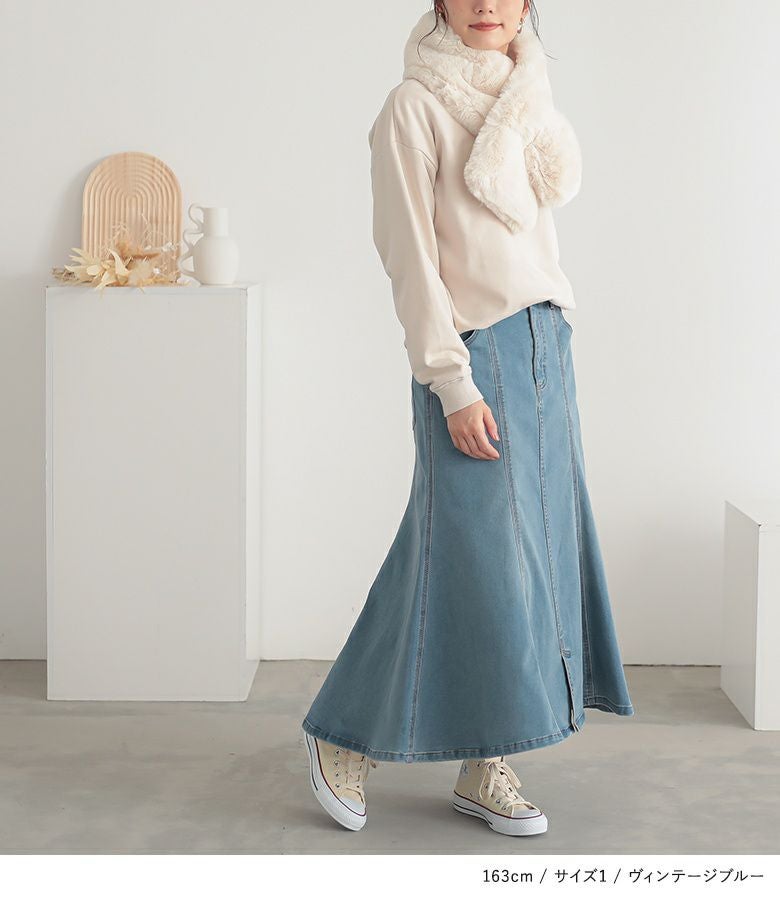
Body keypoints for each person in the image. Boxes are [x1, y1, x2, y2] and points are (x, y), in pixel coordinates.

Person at [301, 0, 634, 838]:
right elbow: (409, 257)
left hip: (544, 342)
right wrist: (452, 381)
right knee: (460, 551)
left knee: (531, 562)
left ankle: (487, 759)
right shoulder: (411, 107)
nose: (488, 4)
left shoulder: (527, 102)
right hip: (473, 352)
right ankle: (344, 733)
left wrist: (550, 340)